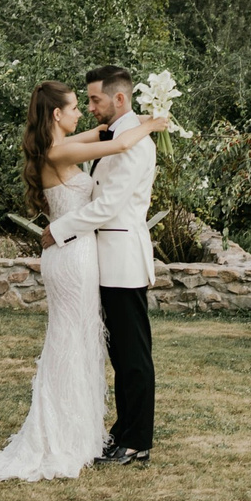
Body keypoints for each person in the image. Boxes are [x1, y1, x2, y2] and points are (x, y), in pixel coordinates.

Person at [0, 81, 170, 482]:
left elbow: (106, 134)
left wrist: (128, 122)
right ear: (56, 115)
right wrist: (152, 124)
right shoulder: (59, 149)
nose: (82, 111)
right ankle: (64, 434)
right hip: (72, 256)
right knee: (72, 342)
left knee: (78, 342)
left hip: (76, 255)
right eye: (74, 107)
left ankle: (81, 433)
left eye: (90, 102)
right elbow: (116, 145)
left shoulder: (54, 143)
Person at [42, 64, 158, 466]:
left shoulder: (137, 145)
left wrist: (61, 229)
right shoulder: (121, 135)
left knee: (133, 357)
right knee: (118, 356)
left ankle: (137, 442)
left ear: (119, 98)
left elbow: (107, 206)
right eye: (86, 100)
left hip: (122, 259)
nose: (91, 107)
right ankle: (122, 433)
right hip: (102, 262)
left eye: (95, 99)